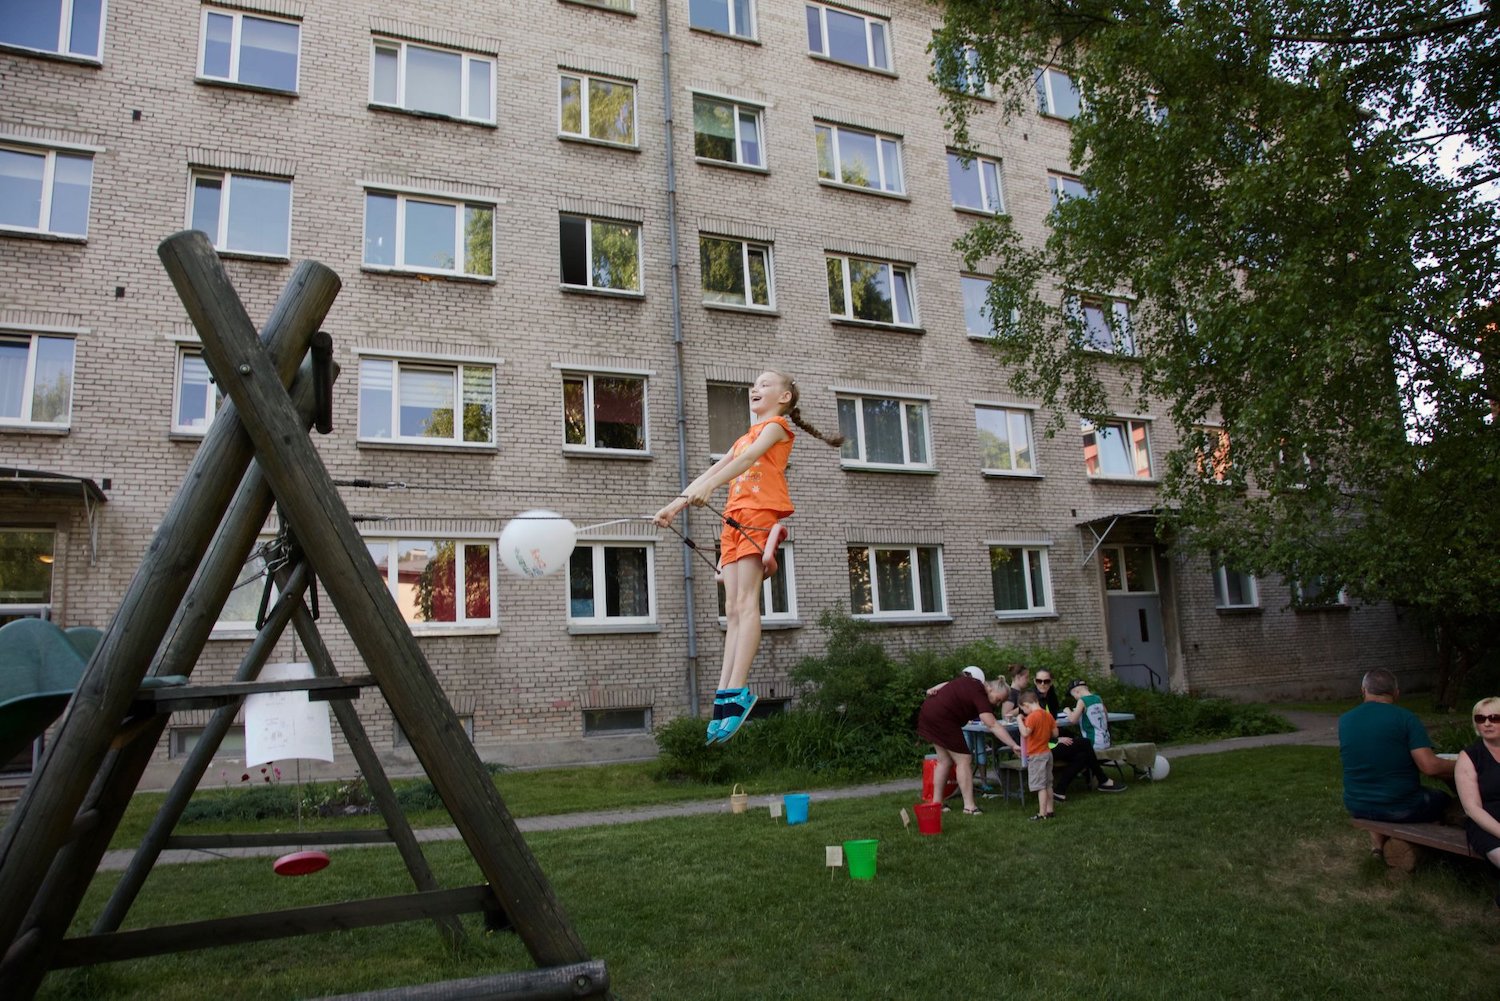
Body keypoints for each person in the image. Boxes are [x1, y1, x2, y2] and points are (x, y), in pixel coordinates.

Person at [655, 370, 843, 745]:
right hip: (734, 519)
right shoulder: (743, 437)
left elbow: (745, 463)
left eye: (765, 384)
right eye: (753, 385)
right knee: (733, 610)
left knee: (745, 602)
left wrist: (710, 486)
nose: (755, 388)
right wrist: (674, 507)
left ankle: (737, 690)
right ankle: (724, 693)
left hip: (758, 516)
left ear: (785, 397)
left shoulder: (776, 427)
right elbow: (717, 469)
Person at [1337, 669, 1455, 855]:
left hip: (1357, 804)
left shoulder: (1345, 721)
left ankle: (1377, 846)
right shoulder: (1405, 718)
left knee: (1375, 793)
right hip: (1401, 807)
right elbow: (1430, 767)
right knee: (1442, 800)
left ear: (1363, 690)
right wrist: (1462, 763)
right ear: (1396, 693)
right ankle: (1425, 849)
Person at [917, 673, 1020, 815]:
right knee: (964, 760)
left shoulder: (973, 682)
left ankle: (937, 803)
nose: (996, 704)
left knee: (944, 761)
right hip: (943, 717)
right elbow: (992, 724)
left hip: (930, 711)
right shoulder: (980, 694)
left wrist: (933, 689)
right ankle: (969, 807)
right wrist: (1013, 744)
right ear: (990, 689)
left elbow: (949, 682)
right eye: (998, 699)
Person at [1455, 696, 1500, 899]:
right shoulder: (1470, 757)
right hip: (1486, 823)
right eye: (1481, 718)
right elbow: (1472, 808)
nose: (1487, 723)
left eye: (1494, 717)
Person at [1016, 688, 1057, 820]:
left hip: (1036, 755)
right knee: (1048, 784)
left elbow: (1025, 733)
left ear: (1026, 705)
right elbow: (1055, 734)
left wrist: (1019, 721)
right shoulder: (1047, 714)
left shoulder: (1032, 717)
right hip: (1047, 752)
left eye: (1023, 709)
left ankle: (1042, 813)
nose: (1024, 712)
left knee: (1040, 786)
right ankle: (1050, 810)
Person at [1065, 680, 1112, 752]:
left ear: (1076, 692)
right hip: (1106, 741)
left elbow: (1072, 720)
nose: (1075, 698)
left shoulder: (1082, 700)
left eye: (1074, 696)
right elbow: (1106, 716)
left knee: (1069, 746)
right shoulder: (1098, 698)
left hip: (1093, 743)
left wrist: (1067, 711)